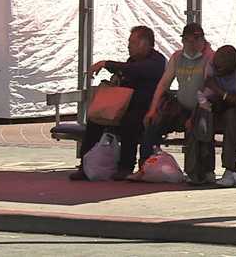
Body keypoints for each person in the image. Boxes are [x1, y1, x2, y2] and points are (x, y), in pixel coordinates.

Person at [71, 25, 166, 181]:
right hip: (123, 107)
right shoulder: (132, 61)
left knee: (131, 121)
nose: (129, 46)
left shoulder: (156, 61)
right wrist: (118, 75)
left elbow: (137, 70)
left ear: (145, 44)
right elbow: (128, 69)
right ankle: (85, 163)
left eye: (133, 42)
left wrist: (106, 64)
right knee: (96, 119)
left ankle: (125, 166)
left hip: (146, 109)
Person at [137, 23, 215, 184]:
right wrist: (152, 110)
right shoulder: (177, 57)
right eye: (187, 40)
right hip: (180, 107)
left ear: (203, 40)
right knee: (152, 124)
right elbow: (163, 85)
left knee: (197, 127)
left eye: (195, 39)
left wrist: (195, 115)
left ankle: (199, 171)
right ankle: (144, 167)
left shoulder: (209, 57)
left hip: (202, 108)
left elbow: (209, 89)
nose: (191, 44)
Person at [202, 45, 236, 187]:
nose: (215, 70)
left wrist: (216, 87)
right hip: (221, 101)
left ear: (231, 66)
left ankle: (230, 169)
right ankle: (206, 169)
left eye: (219, 68)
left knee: (231, 116)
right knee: (205, 116)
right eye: (214, 66)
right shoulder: (213, 63)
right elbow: (208, 92)